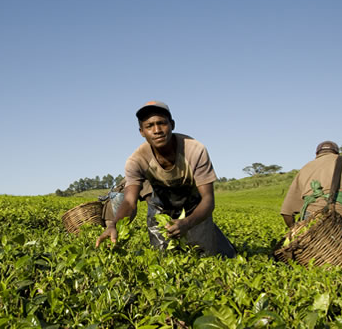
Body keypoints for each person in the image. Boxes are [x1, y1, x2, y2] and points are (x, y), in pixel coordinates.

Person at [95, 101, 236, 257]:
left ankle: (216, 240)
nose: (157, 130)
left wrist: (187, 223)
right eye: (149, 126)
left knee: (210, 256)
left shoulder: (194, 150)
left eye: (162, 123)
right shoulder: (137, 160)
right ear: (141, 131)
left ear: (172, 125)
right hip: (161, 208)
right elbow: (129, 202)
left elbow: (208, 200)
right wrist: (114, 224)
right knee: (164, 257)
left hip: (193, 206)